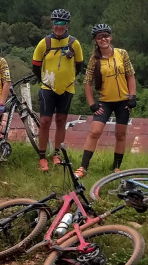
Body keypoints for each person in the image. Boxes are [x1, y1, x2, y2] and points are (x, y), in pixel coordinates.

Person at [75, 24, 137, 178]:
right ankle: (83, 167)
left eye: (106, 36)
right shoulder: (94, 59)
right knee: (94, 132)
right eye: (99, 37)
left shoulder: (122, 54)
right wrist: (92, 104)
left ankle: (116, 168)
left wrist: (132, 97)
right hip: (105, 101)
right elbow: (87, 82)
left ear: (111, 37)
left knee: (120, 134)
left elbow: (130, 75)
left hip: (123, 101)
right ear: (95, 41)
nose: (103, 39)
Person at [32, 9, 84, 171]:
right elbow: (36, 66)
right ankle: (42, 157)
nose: (59, 26)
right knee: (45, 122)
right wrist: (47, 81)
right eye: (56, 23)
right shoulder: (44, 43)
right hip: (47, 88)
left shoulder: (74, 43)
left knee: (61, 121)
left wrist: (67, 79)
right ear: (51, 24)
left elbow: (79, 66)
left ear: (67, 25)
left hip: (67, 88)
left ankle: (56, 154)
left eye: (62, 23)